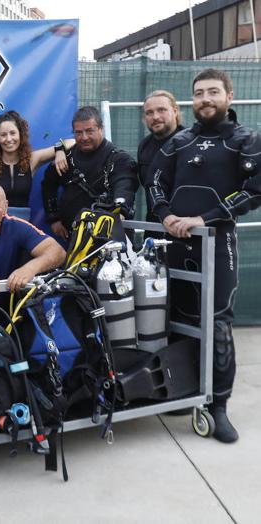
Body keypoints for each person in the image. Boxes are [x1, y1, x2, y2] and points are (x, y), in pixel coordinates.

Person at [147, 68, 261, 443]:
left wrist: (202, 219)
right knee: (177, 317)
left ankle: (219, 406)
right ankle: (186, 390)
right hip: (175, 241)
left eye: (213, 92)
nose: (205, 99)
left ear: (229, 96)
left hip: (217, 242)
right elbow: (156, 182)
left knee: (217, 323)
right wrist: (165, 216)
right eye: (199, 93)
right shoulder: (180, 141)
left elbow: (253, 191)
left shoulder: (246, 140)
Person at [41, 106, 139, 240]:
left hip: (109, 235)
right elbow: (48, 185)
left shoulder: (120, 159)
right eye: (78, 133)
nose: (84, 137)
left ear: (101, 128)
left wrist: (120, 211)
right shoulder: (65, 158)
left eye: (89, 131)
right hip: (75, 237)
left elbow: (125, 186)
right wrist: (53, 218)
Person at [0, 110, 73, 220]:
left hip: (23, 226)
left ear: (20, 134)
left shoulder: (32, 159)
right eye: (3, 135)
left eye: (12, 133)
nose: (8, 139)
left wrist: (59, 149)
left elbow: (73, 142)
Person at [138, 90, 184, 222]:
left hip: (184, 227)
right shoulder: (144, 146)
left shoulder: (190, 143)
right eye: (149, 113)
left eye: (161, 110)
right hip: (154, 226)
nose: (155, 117)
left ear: (175, 111)